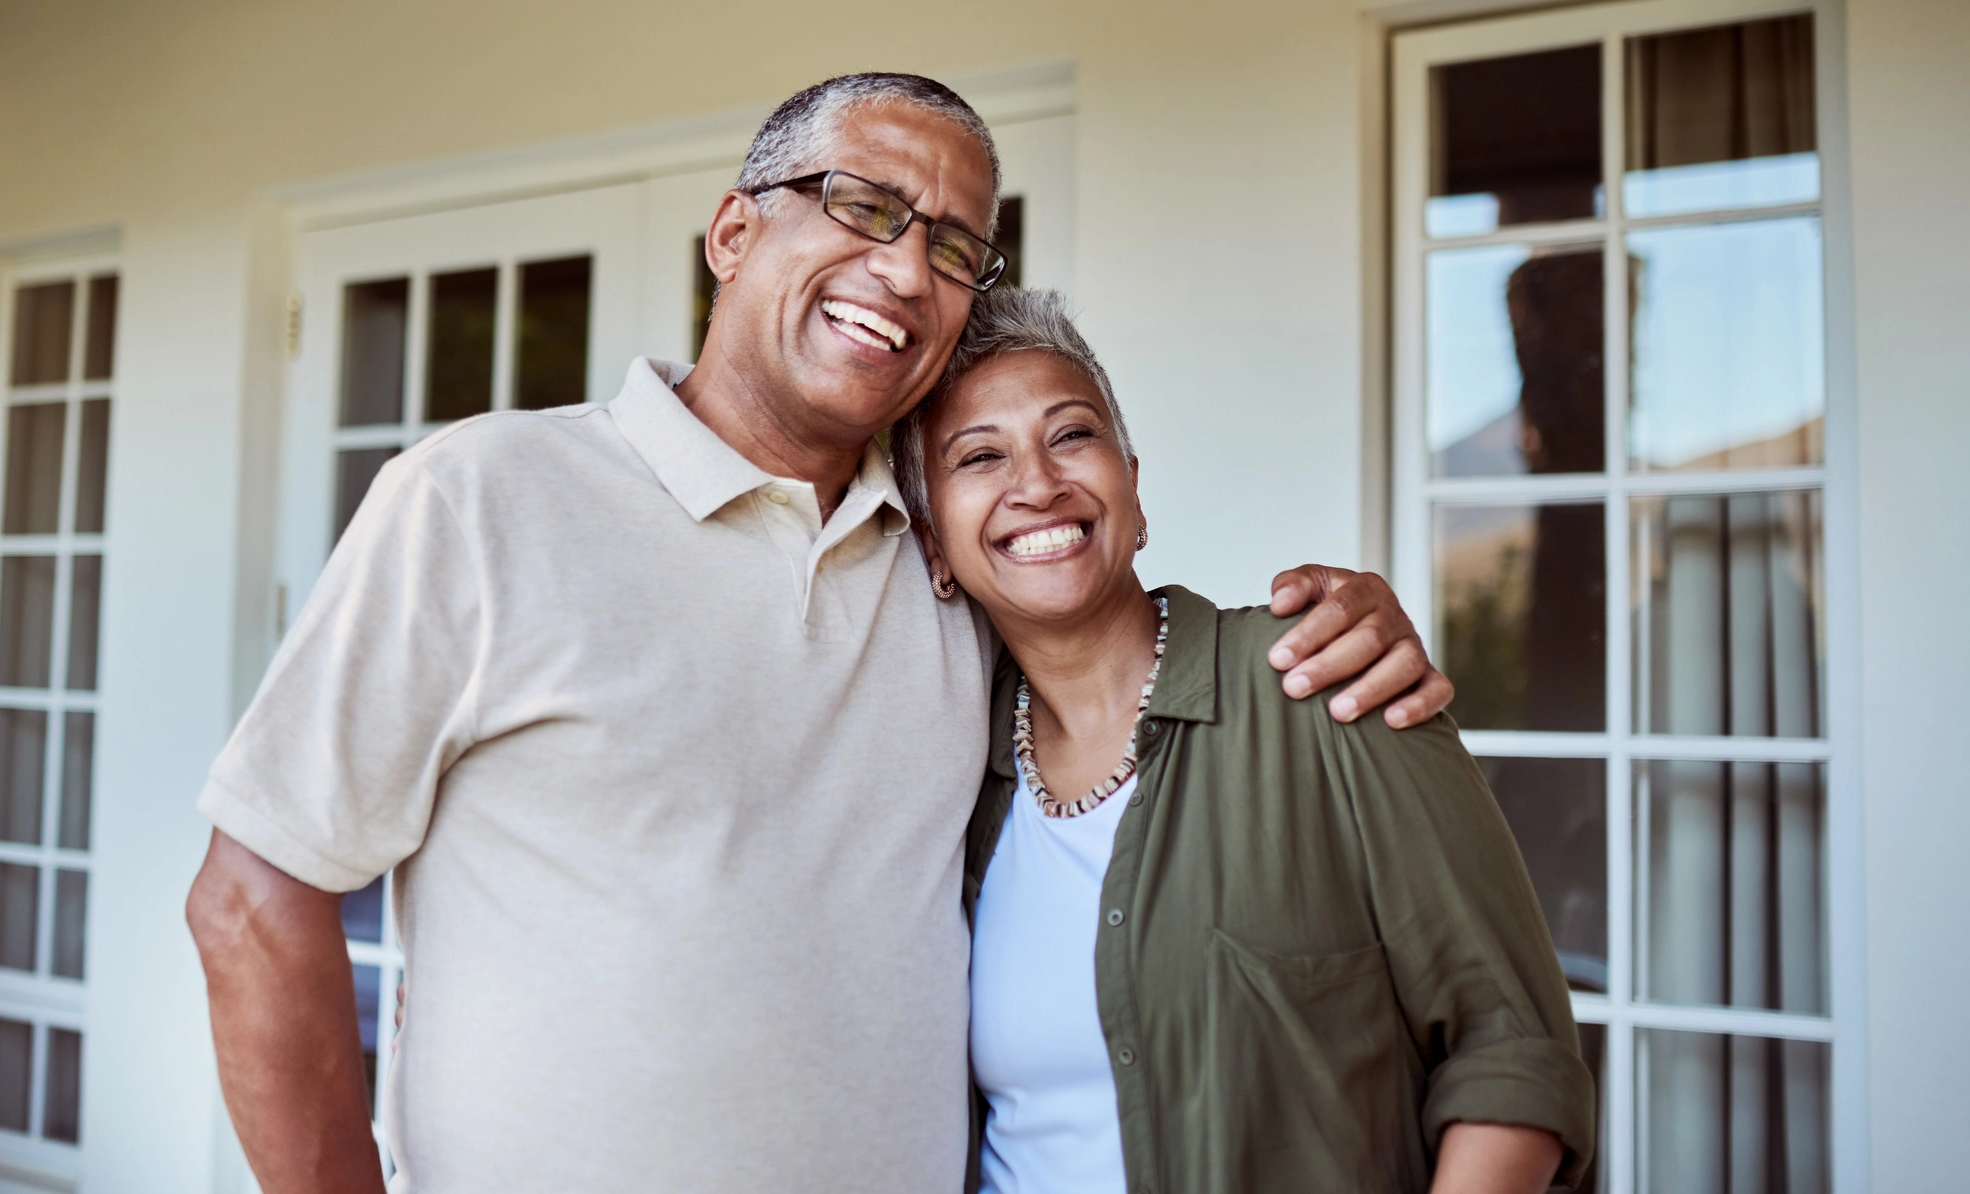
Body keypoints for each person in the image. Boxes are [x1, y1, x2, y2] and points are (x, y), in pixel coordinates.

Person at [184, 74, 1452, 1194]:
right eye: (862, 206)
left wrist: (1340, 623)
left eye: (957, 248)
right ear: (734, 231)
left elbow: (1120, 657)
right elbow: (250, 906)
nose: (906, 271)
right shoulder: (480, 497)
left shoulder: (953, 560)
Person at [893, 287, 1594, 1194]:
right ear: (935, 546)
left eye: (1071, 435)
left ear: (1133, 490)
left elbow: (1514, 1051)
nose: (1038, 483)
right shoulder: (947, 774)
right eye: (980, 456)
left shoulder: (1321, 679)